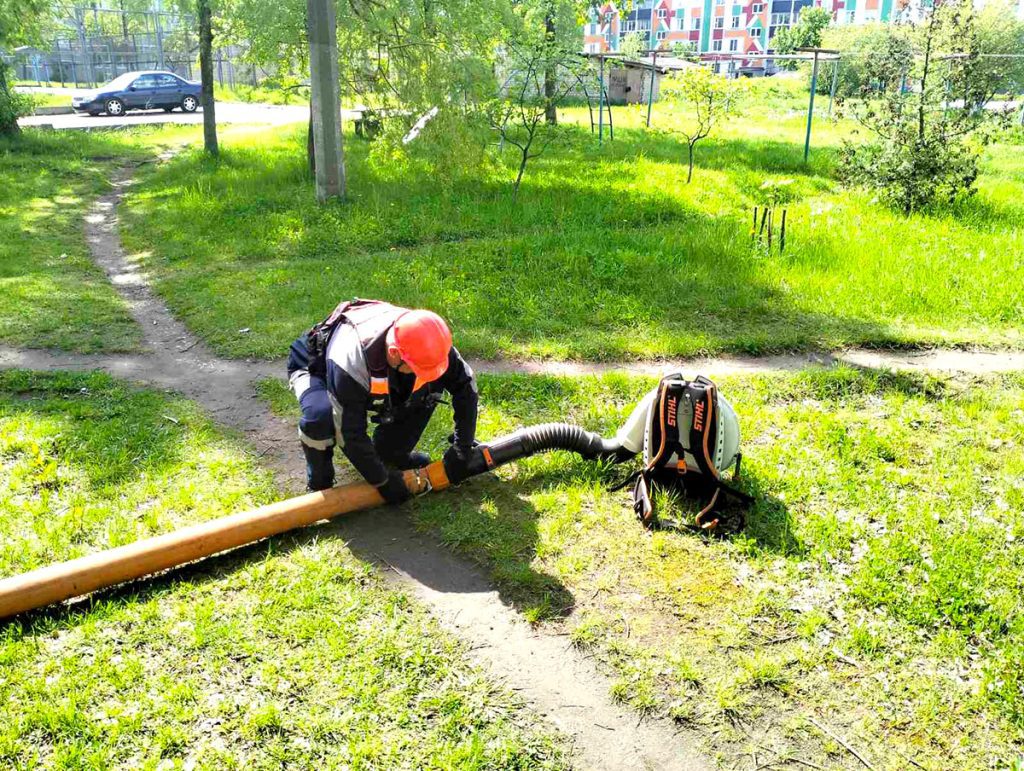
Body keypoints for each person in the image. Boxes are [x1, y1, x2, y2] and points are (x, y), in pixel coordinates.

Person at [287, 299, 479, 501]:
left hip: (380, 369)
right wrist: (383, 482)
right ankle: (319, 483)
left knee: (427, 386)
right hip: (316, 368)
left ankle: (392, 454)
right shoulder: (350, 359)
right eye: (418, 368)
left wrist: (462, 448)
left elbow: (466, 389)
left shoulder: (429, 341)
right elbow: (349, 432)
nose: (424, 373)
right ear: (394, 353)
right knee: (321, 417)